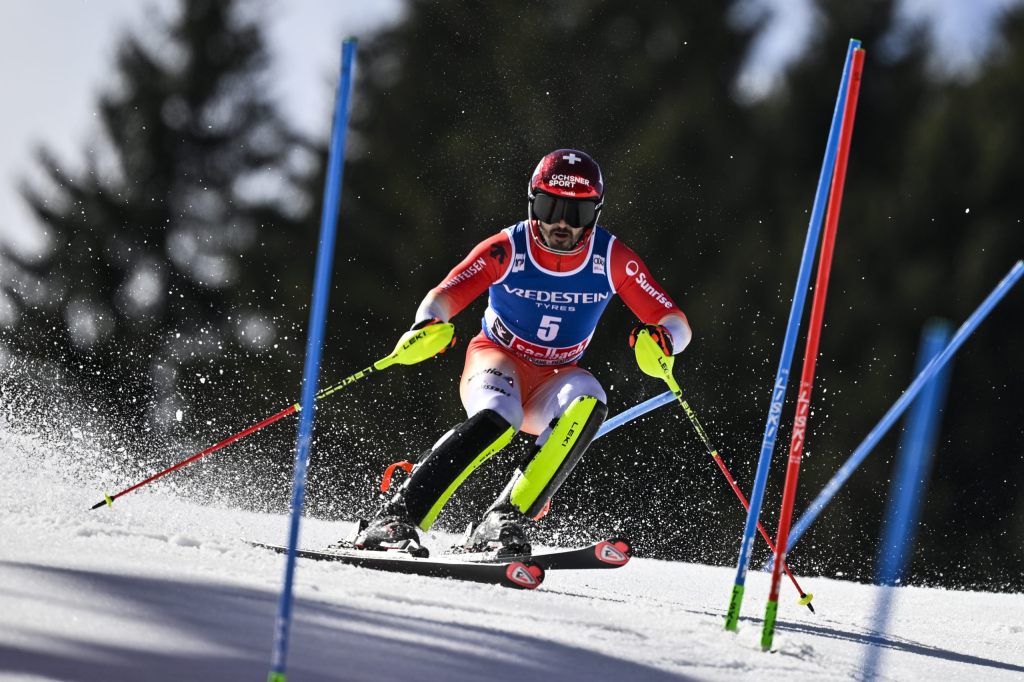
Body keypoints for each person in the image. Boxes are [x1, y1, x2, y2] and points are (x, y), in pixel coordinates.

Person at [354, 149, 691, 557]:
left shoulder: (611, 257)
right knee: (500, 415)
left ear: (596, 213)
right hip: (497, 357)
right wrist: (427, 325)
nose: (562, 223)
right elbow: (444, 294)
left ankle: (504, 517)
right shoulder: (508, 248)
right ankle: (396, 514)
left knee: (591, 400)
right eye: (551, 207)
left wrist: (664, 341)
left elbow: (674, 319)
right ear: (533, 203)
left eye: (578, 212)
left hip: (556, 376)